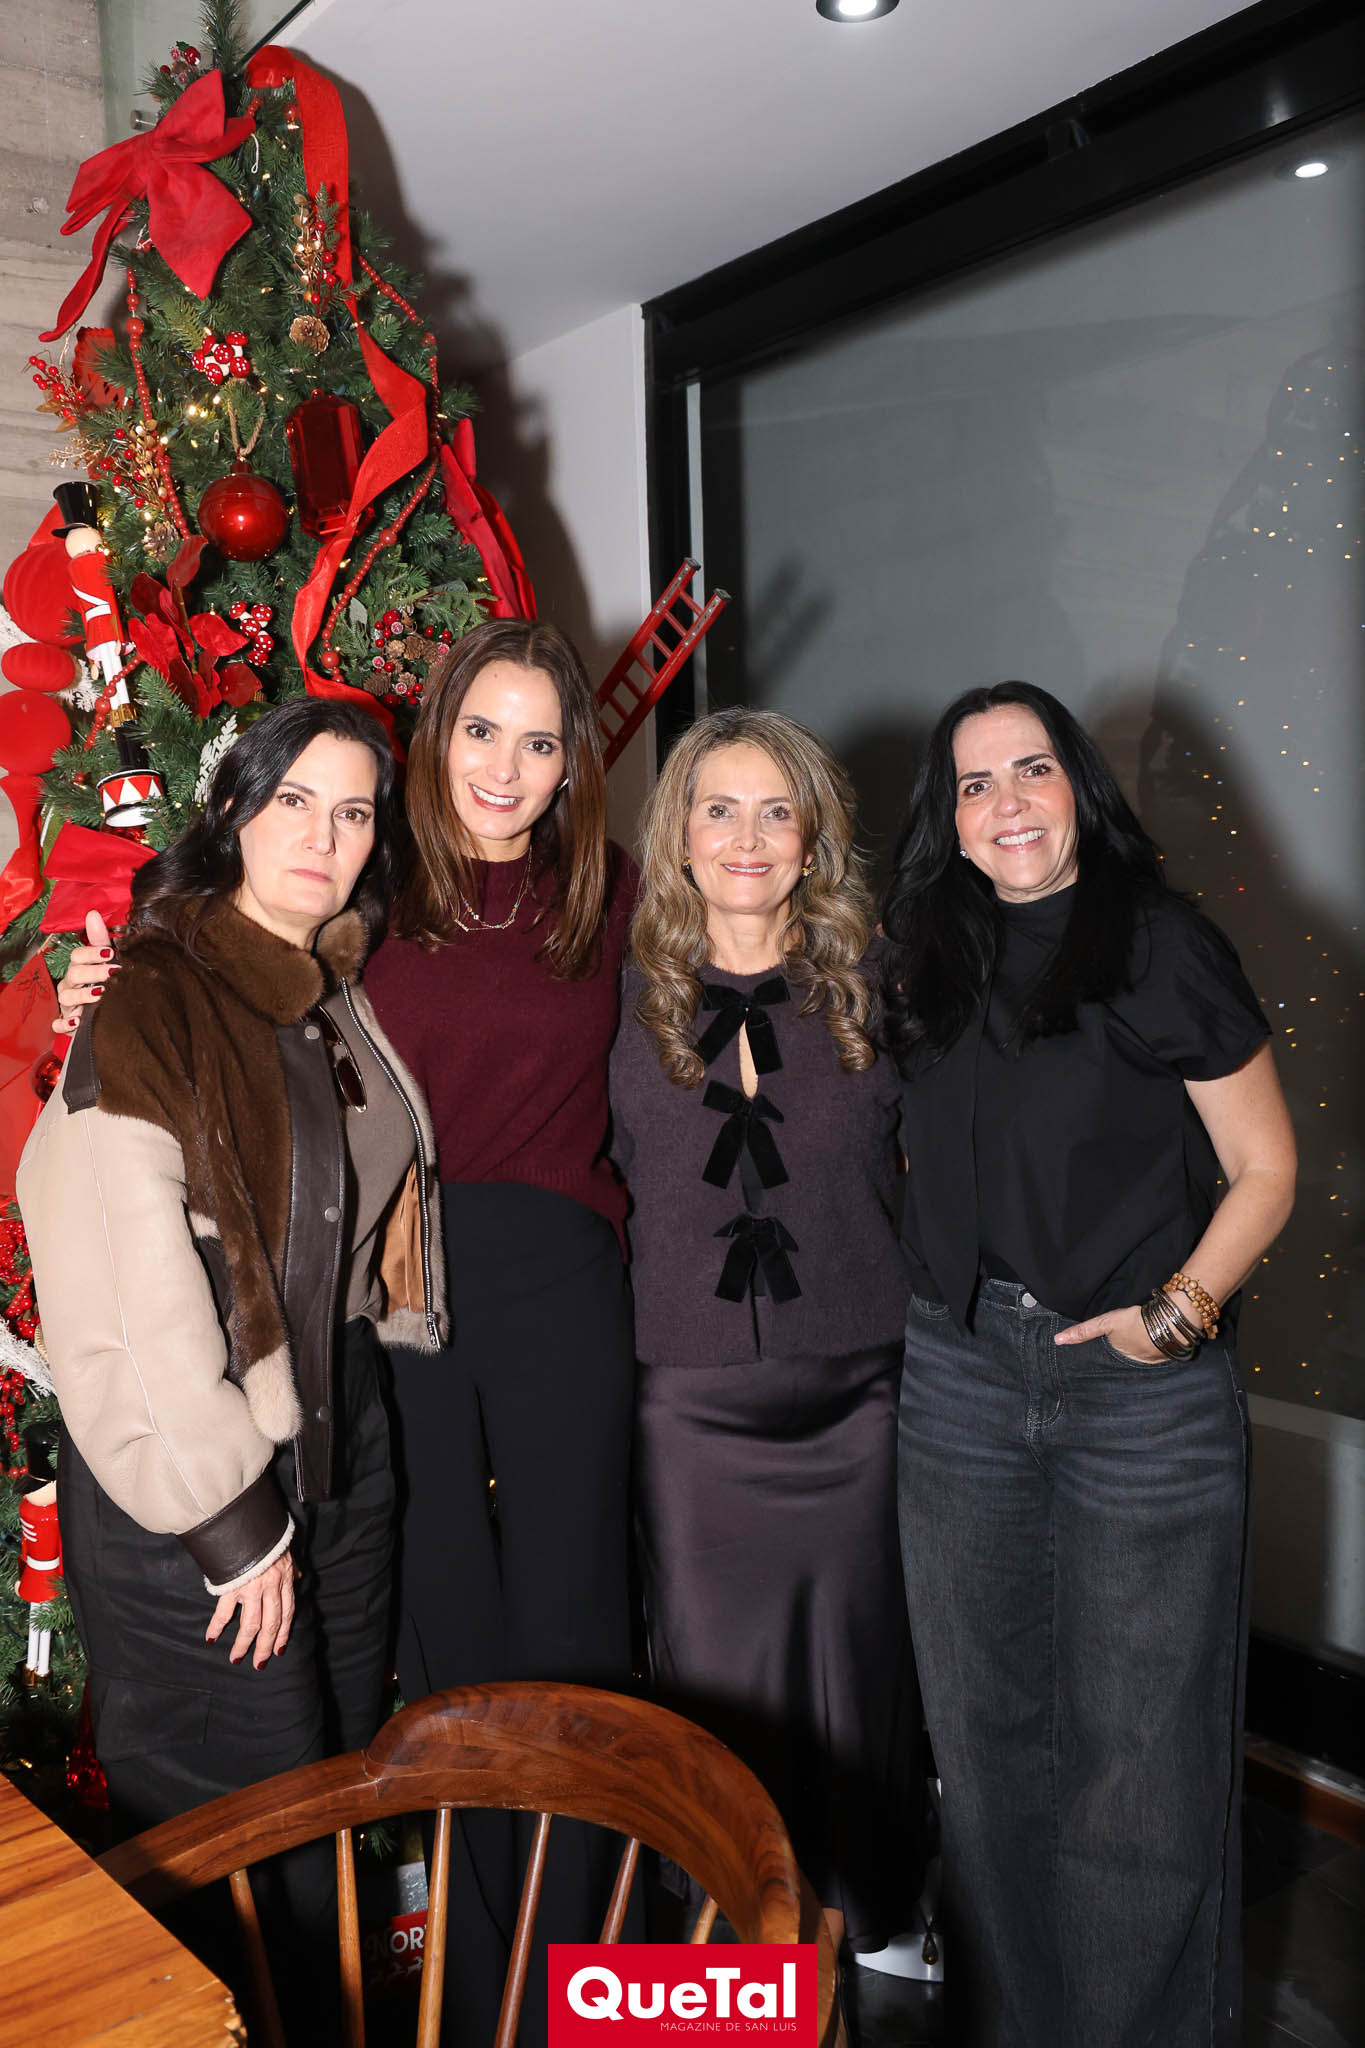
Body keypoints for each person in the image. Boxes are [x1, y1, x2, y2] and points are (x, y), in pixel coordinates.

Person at [55, 620, 637, 2041]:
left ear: (573, 763)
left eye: (540, 739)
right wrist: (95, 989)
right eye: (479, 730)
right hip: (334, 1366)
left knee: (537, 1665)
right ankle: (463, 1993)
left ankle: (584, 1995)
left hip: (482, 1328)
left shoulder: (569, 903)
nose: (505, 766)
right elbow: (128, 1199)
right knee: (415, 1689)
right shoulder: (303, 928)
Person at [879, 682, 1297, 2048]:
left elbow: (1265, 1167)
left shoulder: (1159, 941)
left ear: (1079, 789)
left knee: (1144, 1772)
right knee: (985, 1756)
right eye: (975, 783)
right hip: (959, 1380)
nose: (1005, 802)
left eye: (1032, 769)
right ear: (949, 819)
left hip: (1140, 1391)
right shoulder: (921, 949)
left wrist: (1175, 1318)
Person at [19, 698, 445, 2016]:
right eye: (292, 800)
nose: (324, 835)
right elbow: (110, 1268)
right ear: (232, 811)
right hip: (205, 1484)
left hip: (341, 1441)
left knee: (323, 1810)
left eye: (353, 810)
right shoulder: (155, 990)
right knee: (239, 1859)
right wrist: (226, 1519)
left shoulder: (334, 981)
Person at [610, 706, 919, 1958]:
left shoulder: (882, 983)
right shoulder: (615, 995)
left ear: (812, 835)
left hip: (863, 1393)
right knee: (715, 1681)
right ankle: (738, 1945)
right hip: (690, 1404)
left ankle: (876, 1916)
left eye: (775, 810)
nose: (748, 837)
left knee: (863, 1670)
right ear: (679, 834)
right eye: (720, 809)